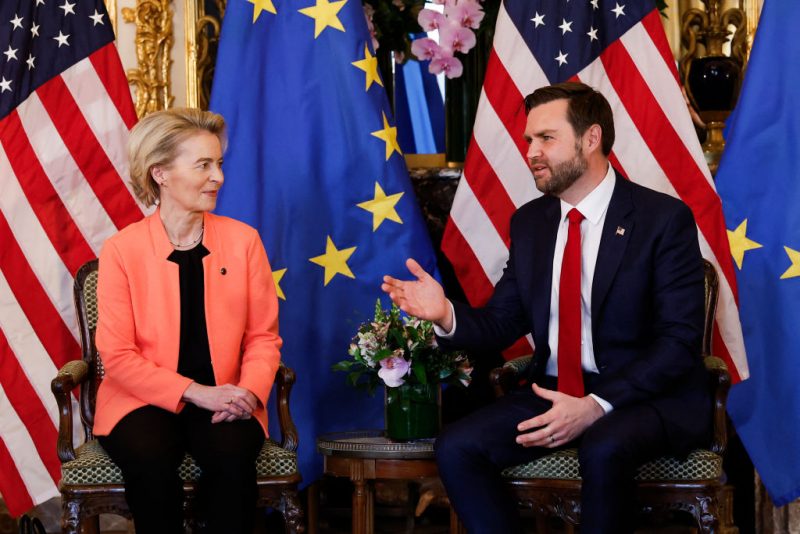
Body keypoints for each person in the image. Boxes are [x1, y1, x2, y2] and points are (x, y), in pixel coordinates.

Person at [382, 82, 711, 534]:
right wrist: (445, 315)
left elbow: (678, 344)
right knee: (457, 446)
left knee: (603, 446)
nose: (532, 151)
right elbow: (501, 322)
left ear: (591, 139)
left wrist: (597, 403)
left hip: (642, 394)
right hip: (552, 389)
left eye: (546, 138)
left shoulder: (662, 219)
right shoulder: (531, 223)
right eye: (528, 141)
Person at [94, 108, 282, 533]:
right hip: (140, 399)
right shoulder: (121, 250)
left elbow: (263, 339)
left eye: (218, 164)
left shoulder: (244, 241)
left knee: (232, 456)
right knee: (149, 457)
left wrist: (248, 393)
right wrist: (197, 393)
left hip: (227, 393)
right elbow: (119, 357)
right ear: (160, 173)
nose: (218, 176)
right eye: (203, 165)